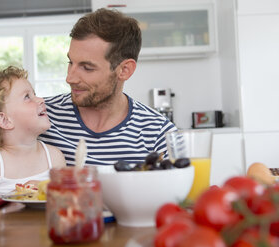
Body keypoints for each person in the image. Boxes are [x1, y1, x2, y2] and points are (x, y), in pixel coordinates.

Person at [39, 8, 177, 166]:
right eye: (71, 62)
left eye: (87, 67)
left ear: (124, 70)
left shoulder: (159, 134)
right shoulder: (41, 116)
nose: (69, 78)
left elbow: (178, 190)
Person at [0, 66, 66, 197]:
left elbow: (64, 200)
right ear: (5, 120)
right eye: (27, 97)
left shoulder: (54, 156)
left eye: (35, 94)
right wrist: (18, 195)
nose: (41, 100)